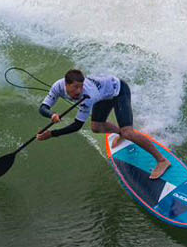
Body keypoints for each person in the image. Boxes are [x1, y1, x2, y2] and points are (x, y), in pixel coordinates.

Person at [36, 69, 172, 180]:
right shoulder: (57, 87)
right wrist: (52, 115)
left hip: (118, 91)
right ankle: (121, 134)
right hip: (104, 93)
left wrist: (52, 134)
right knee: (96, 127)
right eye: (75, 87)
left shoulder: (88, 96)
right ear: (66, 84)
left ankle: (161, 160)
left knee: (128, 132)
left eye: (81, 86)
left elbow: (77, 125)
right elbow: (43, 108)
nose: (78, 91)